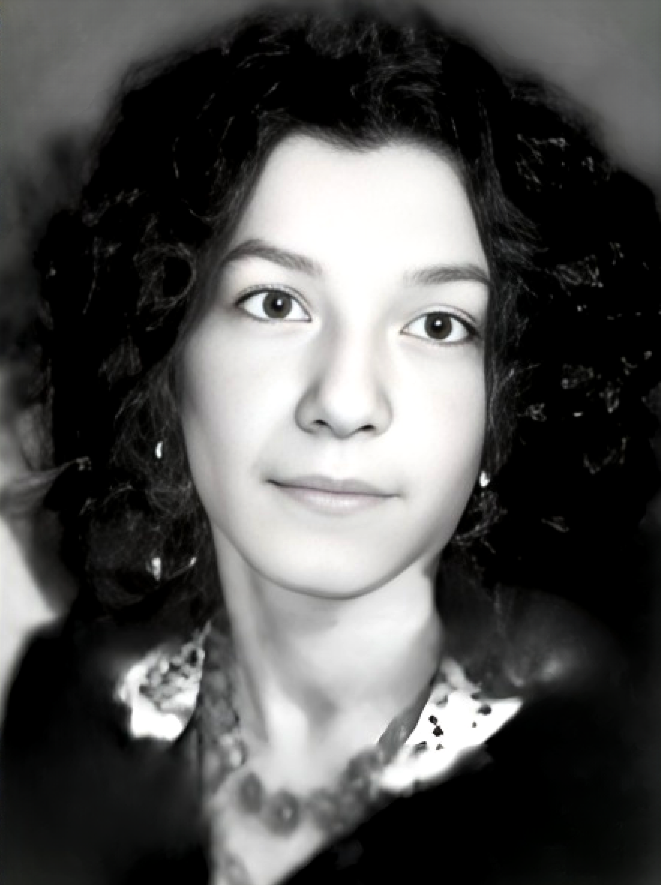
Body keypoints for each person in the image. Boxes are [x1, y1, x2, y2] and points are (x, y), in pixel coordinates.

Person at [1, 5, 661, 884]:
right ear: (166, 359)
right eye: (275, 304)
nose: (344, 402)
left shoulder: (608, 794)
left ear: (507, 402)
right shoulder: (58, 713)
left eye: (437, 324)